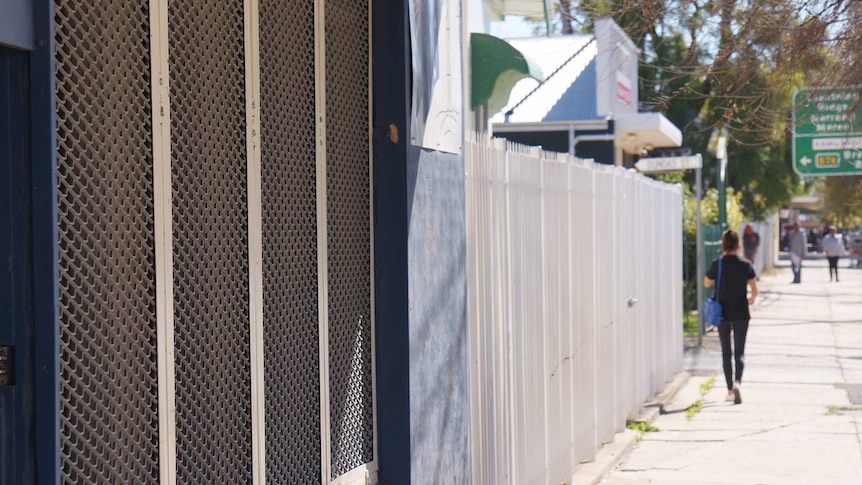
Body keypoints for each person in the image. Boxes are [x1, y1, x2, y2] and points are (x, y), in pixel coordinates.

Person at [705, 230, 758, 404]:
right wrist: (751, 298)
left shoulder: (717, 264)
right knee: (740, 352)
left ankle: (729, 390)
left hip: (723, 314)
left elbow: (707, 282)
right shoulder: (745, 264)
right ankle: (738, 383)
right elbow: (754, 290)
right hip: (742, 312)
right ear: (738, 245)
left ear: (723, 245)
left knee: (726, 352)